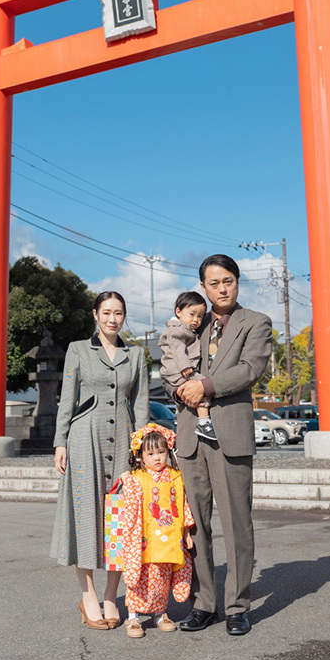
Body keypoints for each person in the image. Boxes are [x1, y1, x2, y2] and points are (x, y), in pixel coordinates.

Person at [167, 254, 272, 637]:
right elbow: (169, 362)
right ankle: (205, 603)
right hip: (192, 438)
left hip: (231, 436)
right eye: (214, 283)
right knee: (196, 526)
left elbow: (249, 369)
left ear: (237, 282)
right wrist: (179, 388)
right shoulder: (192, 322)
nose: (222, 288)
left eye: (228, 281)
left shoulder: (256, 322)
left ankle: (238, 605)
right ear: (203, 287)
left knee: (237, 523)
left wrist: (205, 386)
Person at [51, 291, 149, 629]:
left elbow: (140, 404)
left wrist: (142, 448)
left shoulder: (135, 355)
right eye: (106, 312)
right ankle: (88, 595)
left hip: (123, 443)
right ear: (95, 314)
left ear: (124, 317)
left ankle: (112, 595)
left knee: (121, 521)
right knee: (86, 516)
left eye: (118, 313)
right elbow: (68, 399)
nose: (112, 318)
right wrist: (60, 441)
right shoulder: (78, 349)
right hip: (83, 440)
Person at [121, 423, 194, 638]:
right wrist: (127, 479)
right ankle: (132, 615)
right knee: (138, 575)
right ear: (140, 456)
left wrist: (187, 532)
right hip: (143, 539)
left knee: (162, 577)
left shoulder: (175, 476)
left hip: (168, 538)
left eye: (161, 452)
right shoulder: (137, 477)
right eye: (150, 453)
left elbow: (182, 504)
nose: (157, 458)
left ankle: (160, 613)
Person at [158, 291, 216, 440]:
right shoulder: (177, 329)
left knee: (198, 387)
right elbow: (177, 349)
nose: (196, 319)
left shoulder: (186, 329)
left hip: (178, 370)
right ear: (178, 311)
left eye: (200, 316)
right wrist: (185, 366)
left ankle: (199, 420)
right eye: (192, 314)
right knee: (203, 385)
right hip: (178, 370)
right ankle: (203, 422)